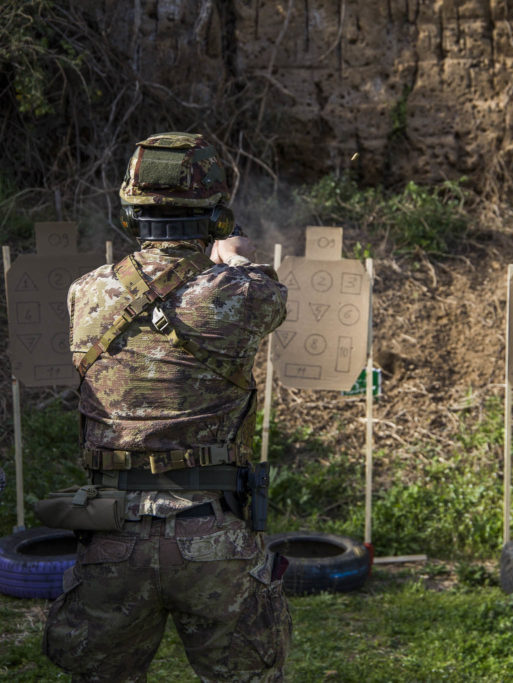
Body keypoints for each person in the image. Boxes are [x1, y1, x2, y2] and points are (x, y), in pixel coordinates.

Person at [44, 132, 291, 682]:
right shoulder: (242, 293)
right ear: (218, 217)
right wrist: (235, 260)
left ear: (130, 214)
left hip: (109, 534)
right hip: (214, 535)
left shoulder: (85, 291)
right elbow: (270, 298)